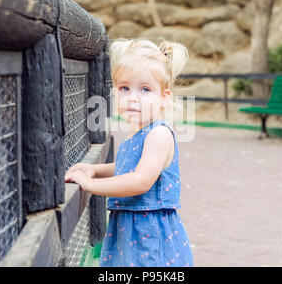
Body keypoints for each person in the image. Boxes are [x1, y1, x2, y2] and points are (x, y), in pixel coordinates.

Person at [64, 38, 193, 267]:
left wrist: (91, 185)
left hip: (149, 234)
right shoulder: (138, 133)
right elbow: (127, 166)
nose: (133, 97)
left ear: (164, 97)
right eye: (125, 88)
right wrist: (94, 170)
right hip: (129, 229)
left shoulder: (159, 134)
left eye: (145, 89)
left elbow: (140, 181)